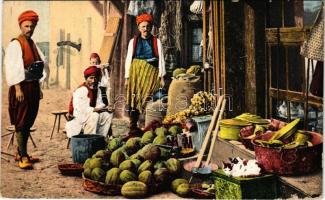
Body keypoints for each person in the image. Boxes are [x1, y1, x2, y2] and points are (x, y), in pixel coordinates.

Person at [4, 10, 47, 169]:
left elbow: (40, 64)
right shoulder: (16, 43)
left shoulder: (33, 44)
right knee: (21, 121)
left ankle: (21, 151)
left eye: (32, 26)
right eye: (26, 26)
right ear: (21, 26)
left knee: (29, 120)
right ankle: (22, 156)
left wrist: (39, 85)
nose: (29, 29)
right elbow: (12, 66)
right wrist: (17, 88)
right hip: (21, 87)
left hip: (33, 86)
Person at [125, 13, 166, 134]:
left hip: (151, 73)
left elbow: (161, 59)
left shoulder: (156, 41)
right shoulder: (133, 41)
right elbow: (128, 59)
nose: (145, 29)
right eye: (143, 27)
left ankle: (150, 125)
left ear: (151, 27)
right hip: (136, 74)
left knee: (150, 98)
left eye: (148, 27)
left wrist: (162, 76)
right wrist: (127, 77)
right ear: (139, 28)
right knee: (134, 98)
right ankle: (133, 126)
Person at [65, 66, 113, 138]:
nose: (93, 81)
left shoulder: (97, 89)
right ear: (86, 78)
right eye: (91, 78)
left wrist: (106, 108)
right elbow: (80, 109)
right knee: (95, 115)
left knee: (107, 114)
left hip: (90, 115)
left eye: (95, 78)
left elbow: (100, 103)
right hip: (78, 119)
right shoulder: (82, 90)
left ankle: (100, 138)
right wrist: (96, 110)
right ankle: (89, 139)